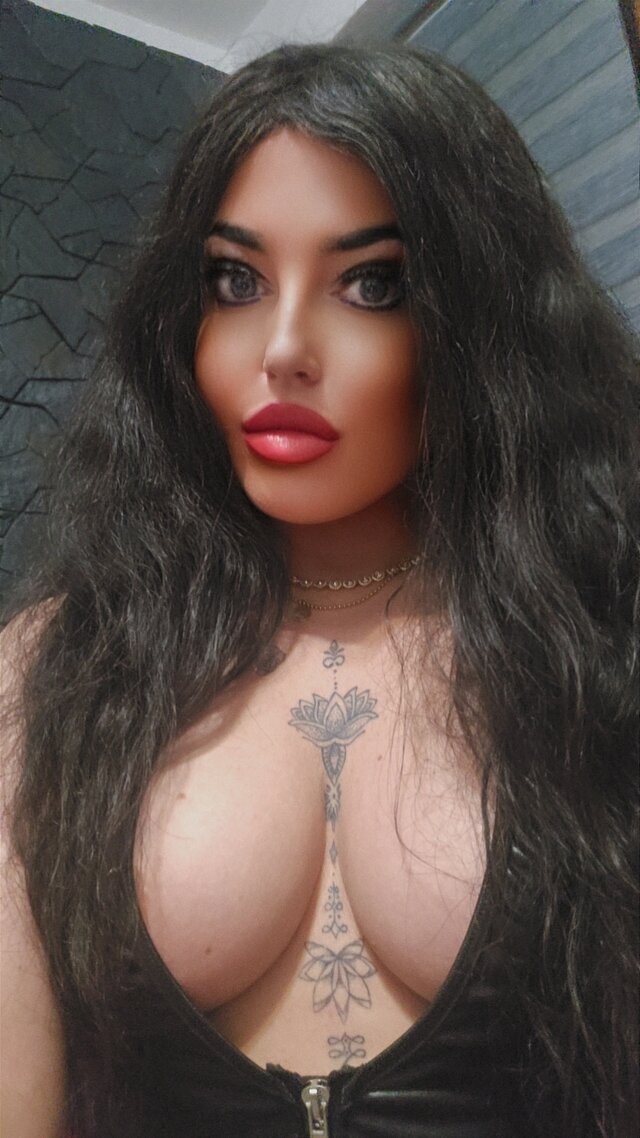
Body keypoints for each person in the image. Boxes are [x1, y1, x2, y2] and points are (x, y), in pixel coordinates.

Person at [1, 41, 638, 1138]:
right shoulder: (46, 671)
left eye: (371, 283)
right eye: (236, 281)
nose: (284, 348)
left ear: (482, 322)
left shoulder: (603, 632)